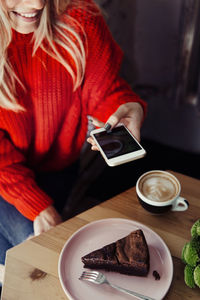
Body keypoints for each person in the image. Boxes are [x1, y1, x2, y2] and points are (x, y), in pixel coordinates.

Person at [0, 0, 147, 287]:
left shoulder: (80, 15)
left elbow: (103, 89)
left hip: (57, 167)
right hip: (4, 171)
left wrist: (124, 106)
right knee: (29, 258)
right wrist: (37, 205)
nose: (38, 3)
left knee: (37, 256)